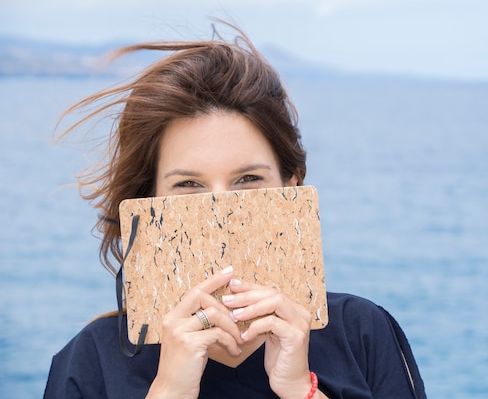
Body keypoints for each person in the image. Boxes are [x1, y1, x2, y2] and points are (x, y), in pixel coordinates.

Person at [43, 24, 428, 399]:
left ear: (291, 187)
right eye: (188, 185)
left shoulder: (362, 332)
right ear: (149, 203)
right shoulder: (90, 361)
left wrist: (300, 391)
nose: (220, 211)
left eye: (247, 178)